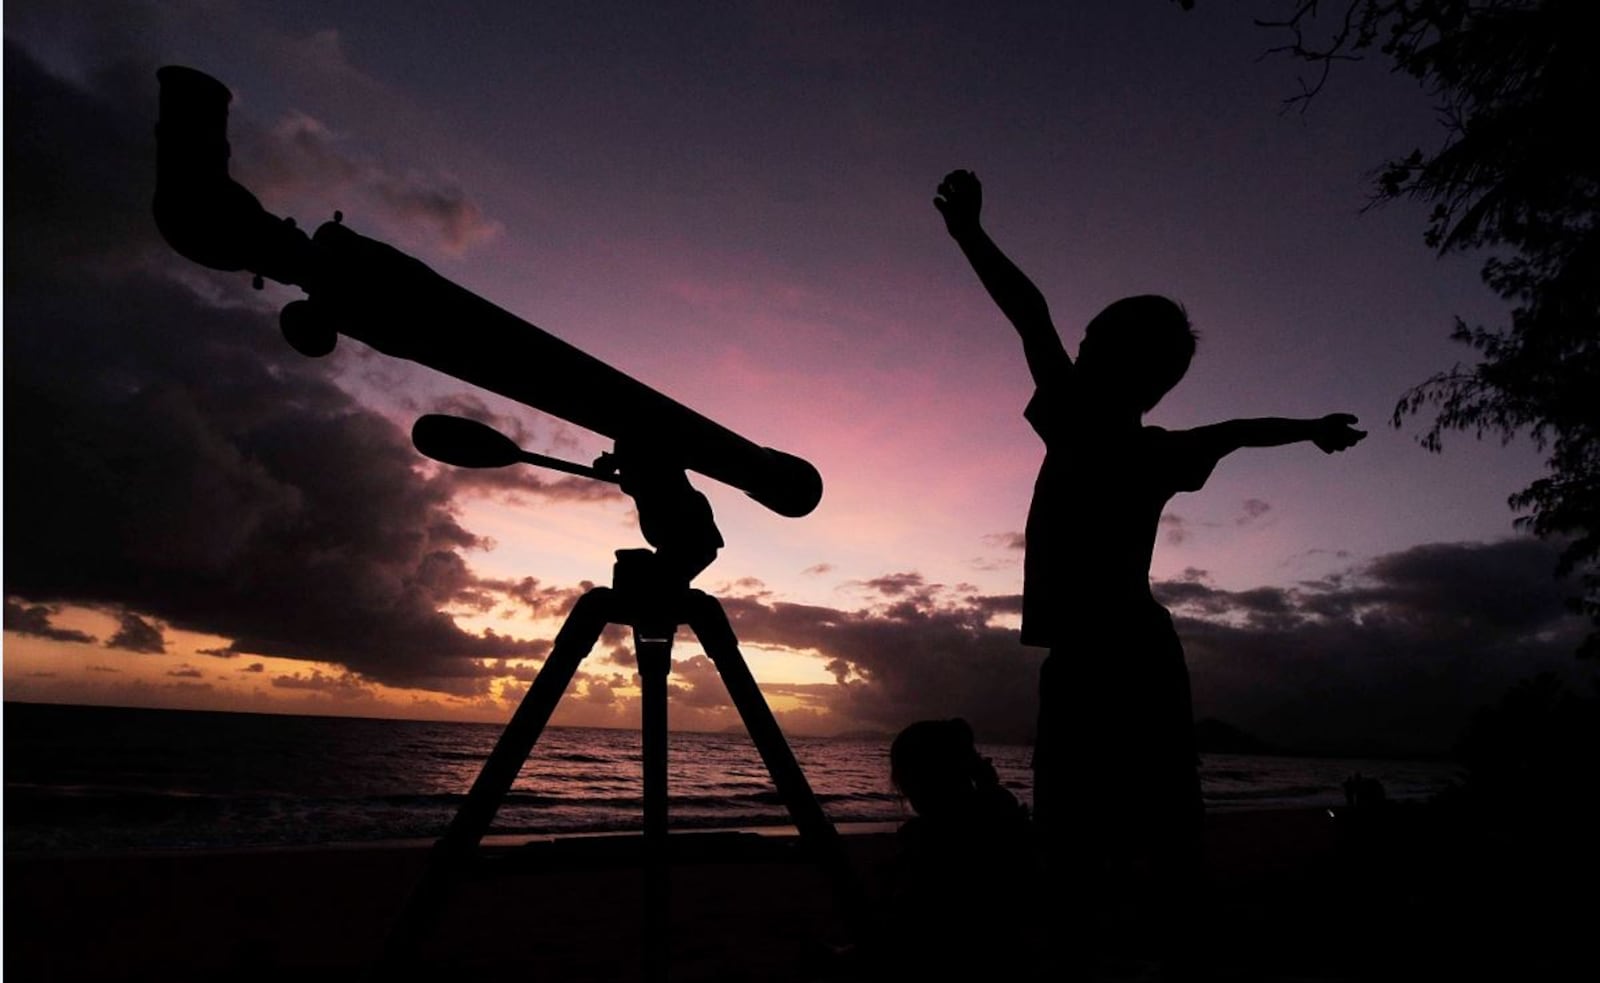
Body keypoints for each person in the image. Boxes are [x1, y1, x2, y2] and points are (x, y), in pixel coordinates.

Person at [933, 168, 1367, 977]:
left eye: (1096, 342)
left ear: (1131, 371)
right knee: (1125, 810)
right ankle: (1140, 931)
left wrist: (971, 235)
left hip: (1116, 648)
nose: (1080, 347)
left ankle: (1127, 936)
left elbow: (1033, 315)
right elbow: (1232, 428)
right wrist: (1309, 427)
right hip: (1118, 645)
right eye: (1088, 339)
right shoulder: (1131, 437)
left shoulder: (1100, 427)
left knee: (1115, 811)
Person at [874, 718, 1038, 981]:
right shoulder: (999, 814)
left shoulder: (928, 837)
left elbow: (910, 920)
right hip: (1007, 950)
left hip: (950, 956)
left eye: (905, 778)